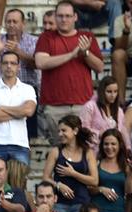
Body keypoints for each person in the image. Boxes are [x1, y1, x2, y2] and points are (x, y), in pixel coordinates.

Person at [35, 2, 105, 137]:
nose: (64, 19)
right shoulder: (46, 37)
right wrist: (72, 55)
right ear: (55, 17)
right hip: (54, 106)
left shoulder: (87, 37)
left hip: (82, 105)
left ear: (75, 17)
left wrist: (85, 53)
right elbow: (41, 62)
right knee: (58, 149)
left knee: (84, 148)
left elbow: (100, 67)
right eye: (60, 16)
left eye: (68, 16)